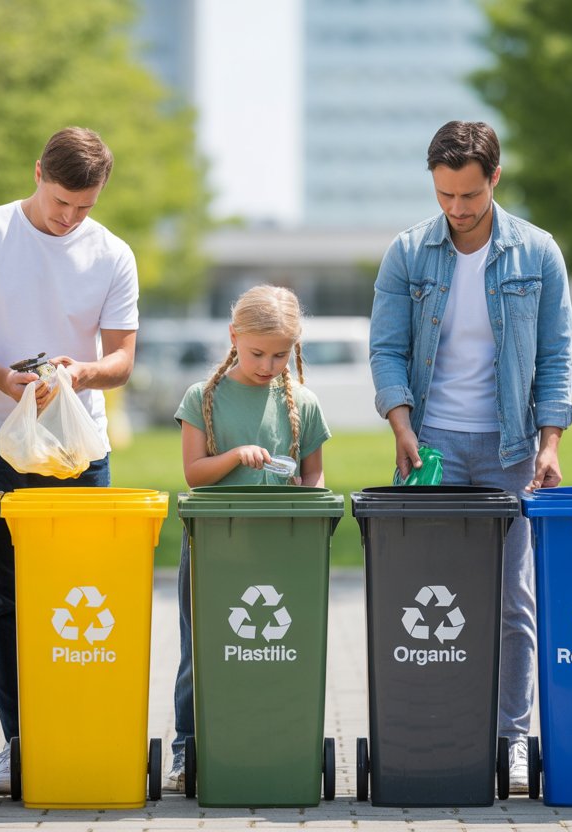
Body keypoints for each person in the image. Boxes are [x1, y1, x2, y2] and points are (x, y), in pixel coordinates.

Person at [368, 120, 572, 792]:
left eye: (469, 197)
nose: (456, 211)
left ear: (495, 180)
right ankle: (439, 726)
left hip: (510, 450)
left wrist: (549, 445)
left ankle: (512, 737)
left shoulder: (538, 254)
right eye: (444, 196)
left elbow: (553, 359)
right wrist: (402, 428)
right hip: (432, 448)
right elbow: (387, 349)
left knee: (511, 599)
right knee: (431, 596)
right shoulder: (408, 253)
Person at [0, 126, 139, 793]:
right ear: (37, 174)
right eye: (61, 202)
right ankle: (22, 739)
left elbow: (122, 360)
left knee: (81, 593)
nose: (70, 217)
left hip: (78, 446)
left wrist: (82, 373)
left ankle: (76, 729)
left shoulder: (112, 253)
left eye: (83, 206)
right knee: (7, 596)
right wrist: (5, 380)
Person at [164, 285, 331, 791]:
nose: (268, 365)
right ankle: (187, 748)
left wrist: (304, 494)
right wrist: (237, 455)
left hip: (280, 550)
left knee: (276, 649)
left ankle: (272, 735)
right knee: (203, 650)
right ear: (233, 337)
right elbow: (194, 473)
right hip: (216, 548)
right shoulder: (204, 397)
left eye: (280, 355)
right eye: (257, 353)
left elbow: (315, 479)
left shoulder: (303, 401)